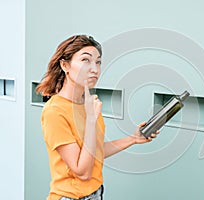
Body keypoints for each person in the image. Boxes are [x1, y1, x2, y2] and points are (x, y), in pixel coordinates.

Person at [36, 35, 157, 200]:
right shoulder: (54, 111)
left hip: (96, 193)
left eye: (98, 62)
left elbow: (93, 152)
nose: (95, 69)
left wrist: (133, 139)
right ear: (65, 65)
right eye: (85, 60)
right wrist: (91, 120)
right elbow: (82, 172)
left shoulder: (87, 104)